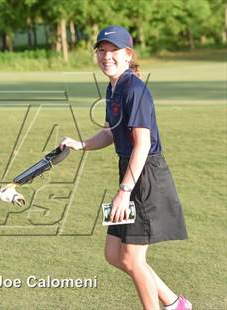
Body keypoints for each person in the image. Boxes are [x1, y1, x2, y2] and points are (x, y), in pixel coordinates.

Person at [59, 25, 191, 310]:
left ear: (128, 55)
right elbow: (110, 132)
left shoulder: (135, 90)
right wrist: (81, 144)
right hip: (130, 172)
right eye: (102, 51)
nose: (107, 57)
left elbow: (142, 145)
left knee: (132, 258)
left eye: (114, 51)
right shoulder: (114, 87)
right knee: (113, 254)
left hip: (146, 177)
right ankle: (176, 304)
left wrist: (124, 191)